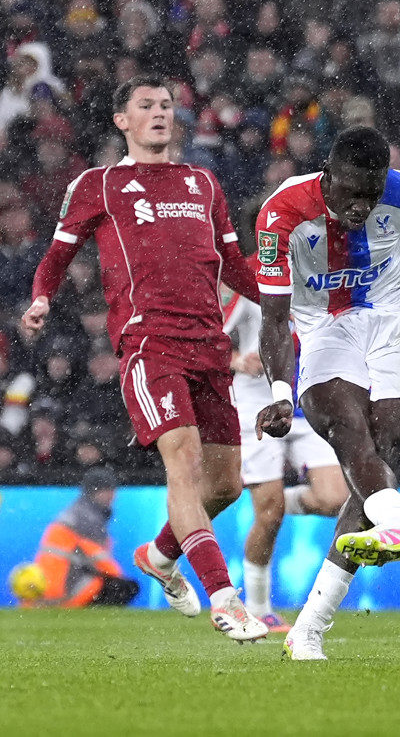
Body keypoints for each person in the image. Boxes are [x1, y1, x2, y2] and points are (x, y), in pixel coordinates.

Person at [22, 75, 267, 641]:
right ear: (121, 121)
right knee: (181, 464)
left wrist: (293, 303)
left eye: (166, 106)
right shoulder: (99, 184)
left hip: (210, 346)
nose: (159, 113)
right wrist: (40, 297)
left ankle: (159, 556)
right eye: (146, 107)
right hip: (148, 342)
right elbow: (58, 254)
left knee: (225, 484)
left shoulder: (203, 184)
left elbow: (235, 271)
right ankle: (225, 600)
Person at [253, 126, 400, 661]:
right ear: (328, 175)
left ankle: (309, 627)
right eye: (349, 192)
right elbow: (272, 318)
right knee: (346, 432)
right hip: (321, 326)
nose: (361, 205)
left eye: (371, 191)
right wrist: (279, 390)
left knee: (377, 458)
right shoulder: (281, 214)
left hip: (394, 316)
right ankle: (396, 525)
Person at [222, 291, 346, 632]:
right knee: (268, 513)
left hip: (306, 404)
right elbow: (209, 330)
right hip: (256, 402)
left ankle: (277, 503)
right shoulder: (253, 278)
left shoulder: (322, 276)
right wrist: (233, 358)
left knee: (335, 498)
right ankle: (258, 608)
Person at [27, 467, 140, 608]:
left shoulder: (75, 513)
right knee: (127, 587)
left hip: (49, 589)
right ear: (93, 492)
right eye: (107, 490)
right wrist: (118, 578)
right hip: (70, 590)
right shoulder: (88, 519)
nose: (113, 495)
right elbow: (98, 559)